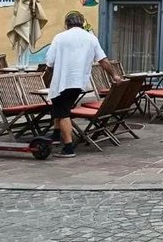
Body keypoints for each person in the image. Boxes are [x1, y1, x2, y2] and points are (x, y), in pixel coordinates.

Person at [44, 11, 121, 158]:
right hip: (79, 82)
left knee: (63, 112)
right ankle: (55, 135)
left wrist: (47, 74)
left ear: (66, 24)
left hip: (62, 81)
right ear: (82, 23)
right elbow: (103, 60)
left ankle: (68, 148)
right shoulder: (91, 38)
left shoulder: (60, 38)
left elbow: (50, 61)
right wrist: (114, 74)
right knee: (60, 108)